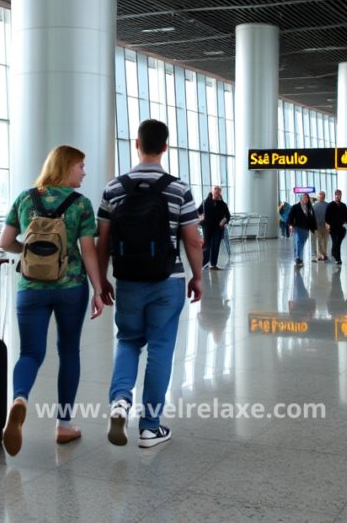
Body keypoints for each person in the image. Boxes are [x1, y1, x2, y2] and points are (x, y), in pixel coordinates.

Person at [96, 119, 203, 449]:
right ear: (166, 147)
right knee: (160, 349)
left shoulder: (114, 188)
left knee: (128, 341)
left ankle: (120, 402)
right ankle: (149, 428)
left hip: (127, 279)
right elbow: (193, 240)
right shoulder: (178, 188)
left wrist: (101, 280)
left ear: (136, 144)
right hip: (166, 280)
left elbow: (103, 242)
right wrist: (197, 277)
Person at [0, 145, 104, 456]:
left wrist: (31, 256)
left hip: (30, 288)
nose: (84, 172)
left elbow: (6, 242)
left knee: (30, 352)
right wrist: (98, 290)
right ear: (67, 166)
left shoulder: (25, 198)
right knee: (69, 351)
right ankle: (63, 425)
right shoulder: (81, 204)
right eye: (81, 166)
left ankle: (19, 399)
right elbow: (88, 252)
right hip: (71, 287)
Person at [198, 186, 230, 271]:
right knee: (207, 245)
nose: (216, 192)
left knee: (215, 244)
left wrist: (224, 221)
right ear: (212, 192)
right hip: (207, 226)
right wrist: (200, 217)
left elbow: (228, 216)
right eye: (215, 190)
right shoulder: (205, 202)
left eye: (218, 191)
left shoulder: (223, 204)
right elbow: (198, 211)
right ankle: (203, 264)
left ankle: (213, 264)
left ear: (220, 193)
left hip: (218, 227)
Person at [287, 192, 317, 265]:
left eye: (306, 198)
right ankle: (298, 258)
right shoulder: (295, 207)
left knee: (302, 243)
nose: (305, 199)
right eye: (304, 197)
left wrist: (314, 228)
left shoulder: (310, 208)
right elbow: (290, 217)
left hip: (306, 228)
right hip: (297, 227)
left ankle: (299, 257)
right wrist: (290, 225)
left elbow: (312, 219)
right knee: (298, 241)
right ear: (301, 198)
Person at [325, 189, 347, 265]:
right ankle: (337, 258)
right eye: (337, 195)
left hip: (341, 228)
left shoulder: (343, 206)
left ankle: (335, 256)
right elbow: (327, 216)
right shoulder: (330, 205)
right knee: (335, 242)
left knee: (338, 243)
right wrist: (327, 225)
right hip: (333, 228)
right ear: (335, 196)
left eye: (340, 195)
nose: (338, 197)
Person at [312, 191, 330, 262]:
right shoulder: (314, 206)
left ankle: (324, 254)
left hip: (325, 227)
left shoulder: (327, 205)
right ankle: (320, 254)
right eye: (320, 196)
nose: (321, 198)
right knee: (319, 240)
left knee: (325, 240)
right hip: (317, 226)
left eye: (322, 196)